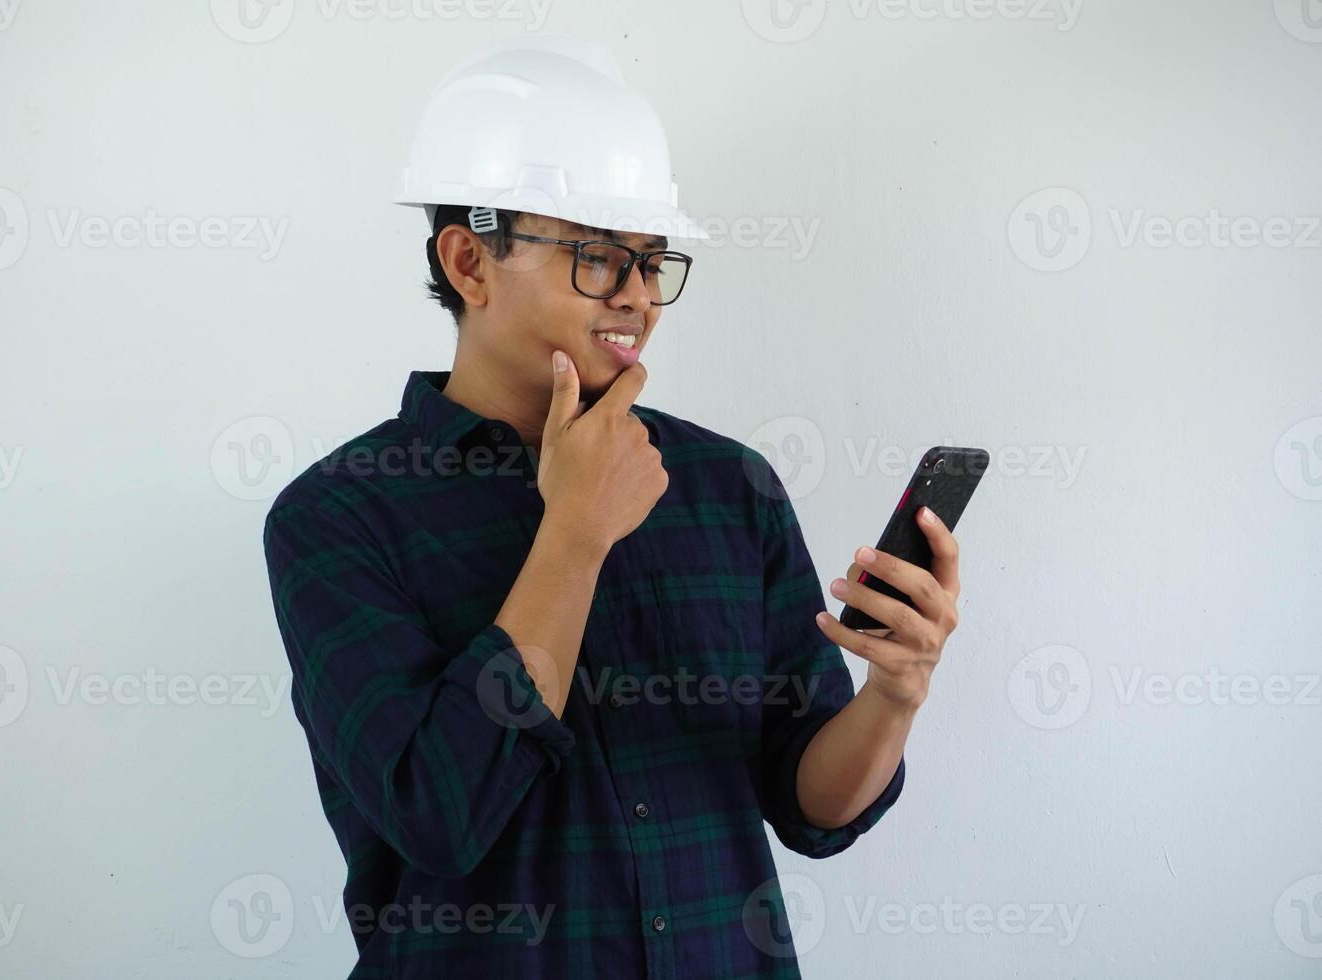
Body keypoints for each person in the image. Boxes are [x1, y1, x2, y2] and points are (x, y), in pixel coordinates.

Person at [263, 35, 962, 979]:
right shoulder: (338, 518)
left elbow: (812, 807)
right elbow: (443, 811)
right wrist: (575, 533)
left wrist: (894, 692)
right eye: (598, 258)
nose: (638, 299)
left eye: (653, 262)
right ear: (469, 261)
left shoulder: (728, 487)